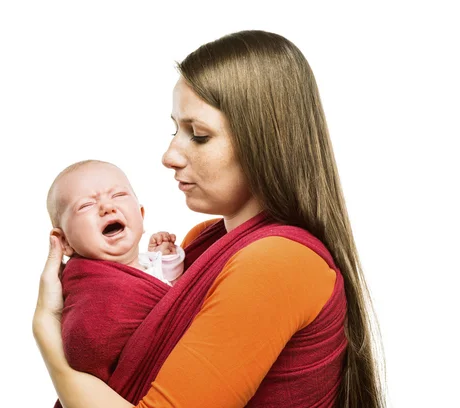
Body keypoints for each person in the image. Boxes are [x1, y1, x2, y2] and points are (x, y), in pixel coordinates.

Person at [33, 30, 385, 408]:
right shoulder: (205, 240)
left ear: (264, 142)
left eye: (198, 135)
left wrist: (50, 341)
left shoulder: (278, 264)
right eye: (175, 129)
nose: (169, 155)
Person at [46, 159, 185, 286]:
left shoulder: (148, 264)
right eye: (86, 205)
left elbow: (178, 291)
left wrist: (164, 256)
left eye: (118, 195)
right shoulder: (84, 286)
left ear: (141, 215)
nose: (107, 207)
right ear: (64, 241)